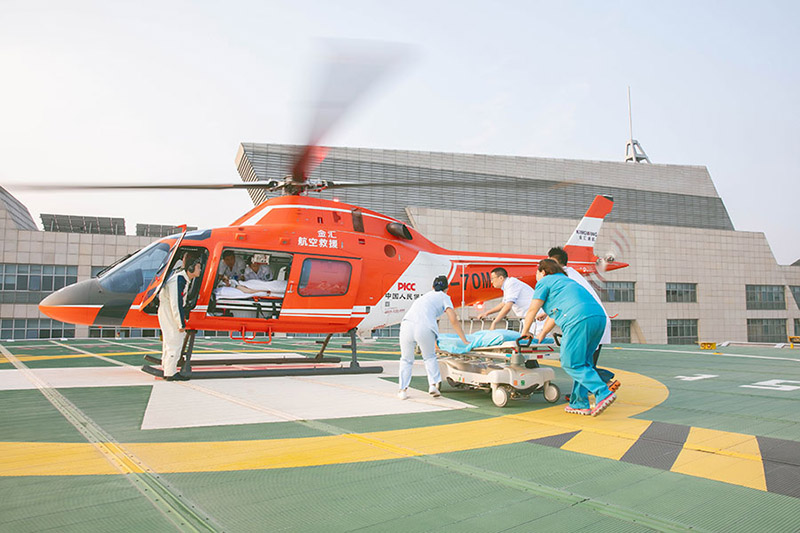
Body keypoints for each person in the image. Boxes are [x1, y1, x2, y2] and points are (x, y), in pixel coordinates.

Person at [521, 259, 616, 416]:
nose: (536, 276)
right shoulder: (567, 282)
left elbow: (532, 310)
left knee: (570, 362)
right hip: (599, 319)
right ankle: (579, 402)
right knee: (584, 363)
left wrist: (525, 332)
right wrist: (542, 334)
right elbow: (555, 313)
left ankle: (602, 392)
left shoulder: (545, 282)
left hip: (578, 319)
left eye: (537, 273)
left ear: (543, 271)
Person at [547, 246, 619, 393]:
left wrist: (542, 333)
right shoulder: (572, 274)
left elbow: (562, 305)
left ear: (556, 262)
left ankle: (606, 382)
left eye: (550, 262)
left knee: (576, 362)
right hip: (597, 320)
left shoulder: (564, 277)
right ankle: (579, 395)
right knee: (584, 363)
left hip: (588, 321)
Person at [398, 275, 469, 400]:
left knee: (406, 360)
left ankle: (402, 390)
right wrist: (464, 340)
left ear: (432, 287)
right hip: (424, 327)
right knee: (429, 357)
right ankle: (433, 385)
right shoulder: (445, 297)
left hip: (406, 324)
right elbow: (453, 319)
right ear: (447, 288)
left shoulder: (424, 297)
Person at [158, 254, 203, 381]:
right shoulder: (179, 280)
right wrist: (181, 323)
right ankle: (170, 373)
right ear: (191, 268)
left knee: (169, 342)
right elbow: (176, 303)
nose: (200, 270)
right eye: (198, 267)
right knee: (175, 342)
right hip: (170, 312)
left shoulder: (182, 279)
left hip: (168, 311)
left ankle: (167, 368)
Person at [477, 267, 536, 333]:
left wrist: (495, 322)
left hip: (535, 319)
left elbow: (508, 307)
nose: (491, 282)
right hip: (528, 319)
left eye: (492, 279)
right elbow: (503, 304)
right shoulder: (507, 285)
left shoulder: (512, 283)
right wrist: (487, 313)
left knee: (536, 340)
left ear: (501, 278)